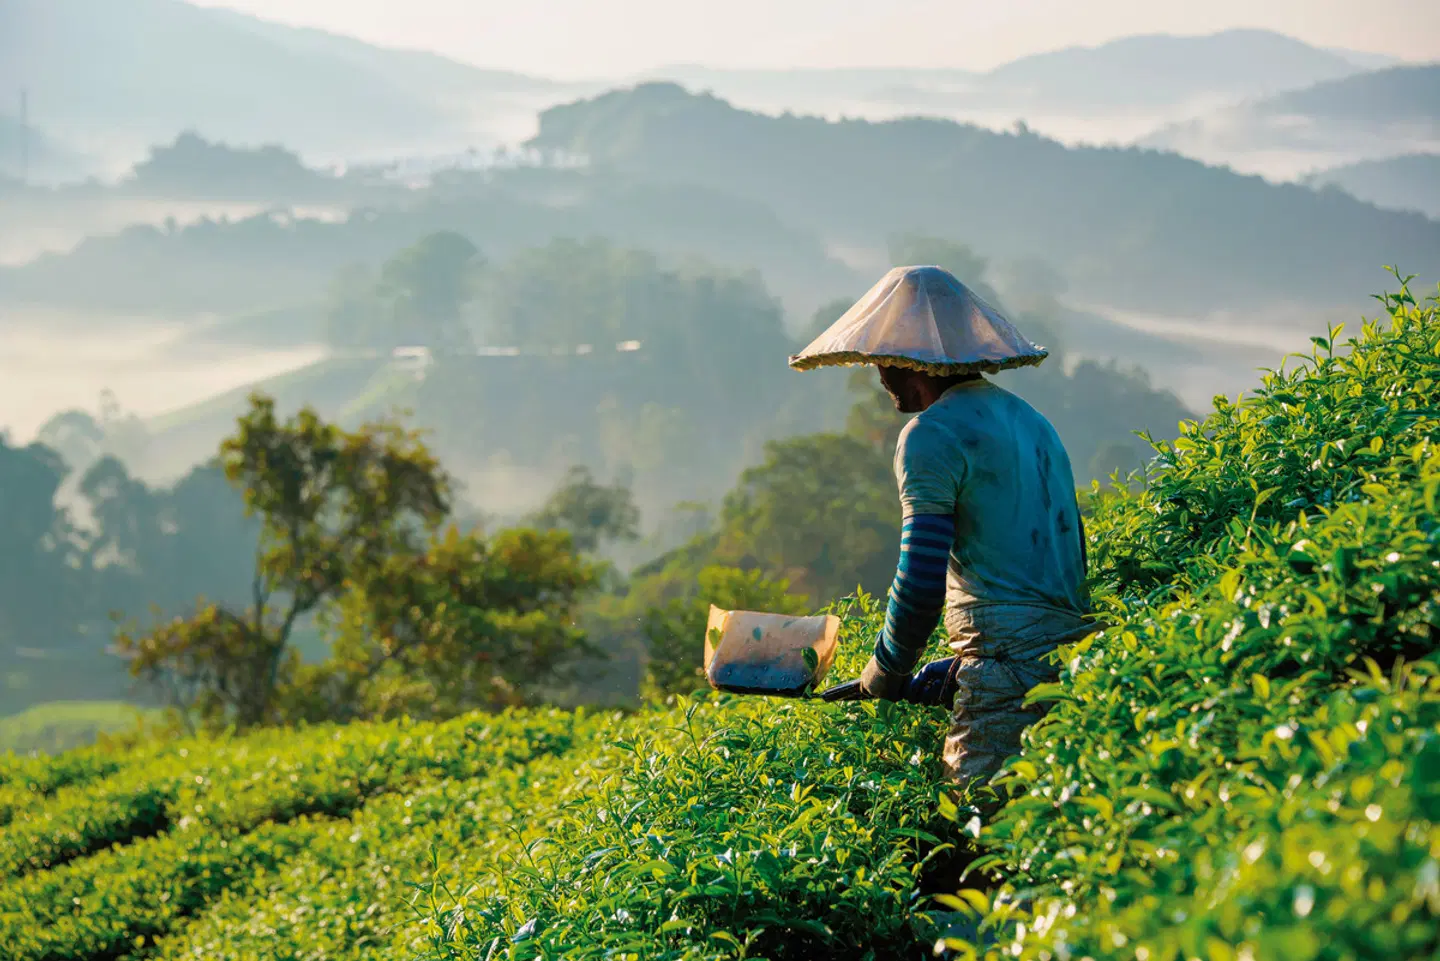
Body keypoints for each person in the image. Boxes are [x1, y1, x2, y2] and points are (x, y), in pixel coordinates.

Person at [789, 265, 1096, 793]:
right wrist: (954, 666)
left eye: (885, 359)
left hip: (1007, 677)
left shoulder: (930, 435)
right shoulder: (1031, 422)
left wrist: (885, 669)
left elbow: (922, 579)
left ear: (915, 363)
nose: (880, 375)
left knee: (977, 832)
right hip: (1076, 660)